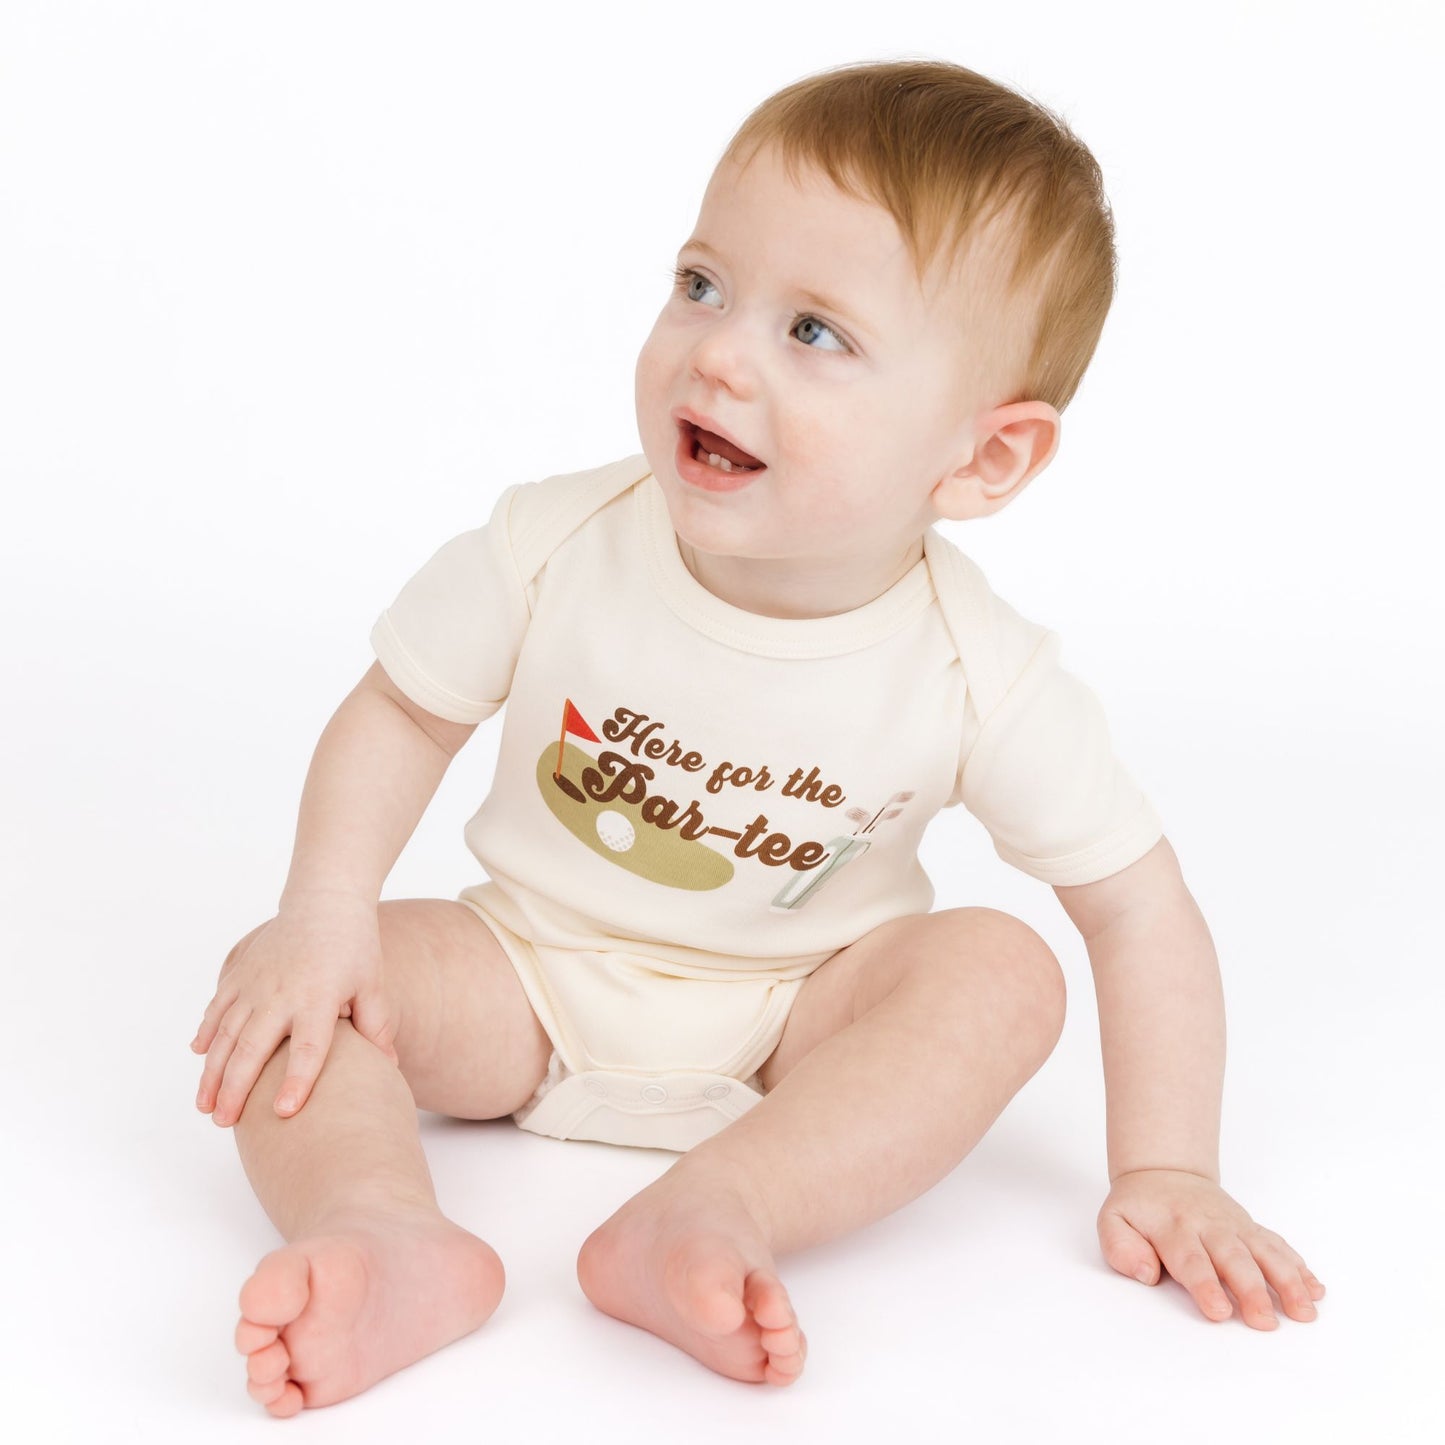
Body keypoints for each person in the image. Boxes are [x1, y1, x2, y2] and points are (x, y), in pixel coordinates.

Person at [191, 59, 1324, 1418]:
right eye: (701, 284)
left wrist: (1167, 1166)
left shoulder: (977, 670)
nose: (717, 352)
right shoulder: (556, 544)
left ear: (982, 461)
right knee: (286, 972)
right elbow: (397, 711)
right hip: (520, 972)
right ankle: (384, 1229)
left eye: (816, 333)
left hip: (798, 1021)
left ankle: (717, 1205)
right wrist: (325, 917)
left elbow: (1138, 908)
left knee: (1001, 967)